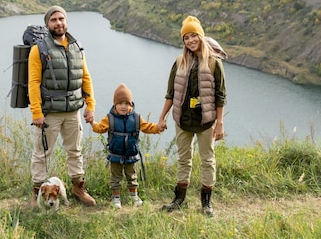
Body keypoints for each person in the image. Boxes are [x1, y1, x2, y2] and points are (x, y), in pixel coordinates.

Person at [157, 16, 227, 216]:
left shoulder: (214, 63)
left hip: (206, 121)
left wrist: (220, 123)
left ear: (201, 37)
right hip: (183, 119)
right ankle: (179, 199)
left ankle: (206, 203)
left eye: (194, 35)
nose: (190, 40)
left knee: (207, 160)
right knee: (184, 159)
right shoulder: (179, 62)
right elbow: (171, 93)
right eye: (186, 37)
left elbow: (220, 96)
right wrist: (162, 117)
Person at [28, 6, 97, 207]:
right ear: (48, 24)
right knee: (42, 153)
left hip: (73, 110)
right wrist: (37, 112)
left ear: (66, 21)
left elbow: (86, 77)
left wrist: (90, 105)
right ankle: (37, 193)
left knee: (75, 150)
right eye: (54, 20)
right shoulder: (38, 49)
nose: (59, 23)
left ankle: (78, 188)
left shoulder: (76, 47)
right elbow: (33, 82)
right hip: (49, 113)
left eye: (62, 19)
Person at [91, 83, 164, 209]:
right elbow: (100, 128)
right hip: (115, 154)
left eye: (126, 103)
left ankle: (134, 196)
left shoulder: (136, 118)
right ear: (115, 105)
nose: (123, 106)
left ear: (131, 104)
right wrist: (92, 122)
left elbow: (147, 127)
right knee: (115, 177)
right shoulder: (110, 118)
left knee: (132, 176)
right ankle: (115, 198)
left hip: (131, 154)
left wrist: (158, 128)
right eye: (120, 104)